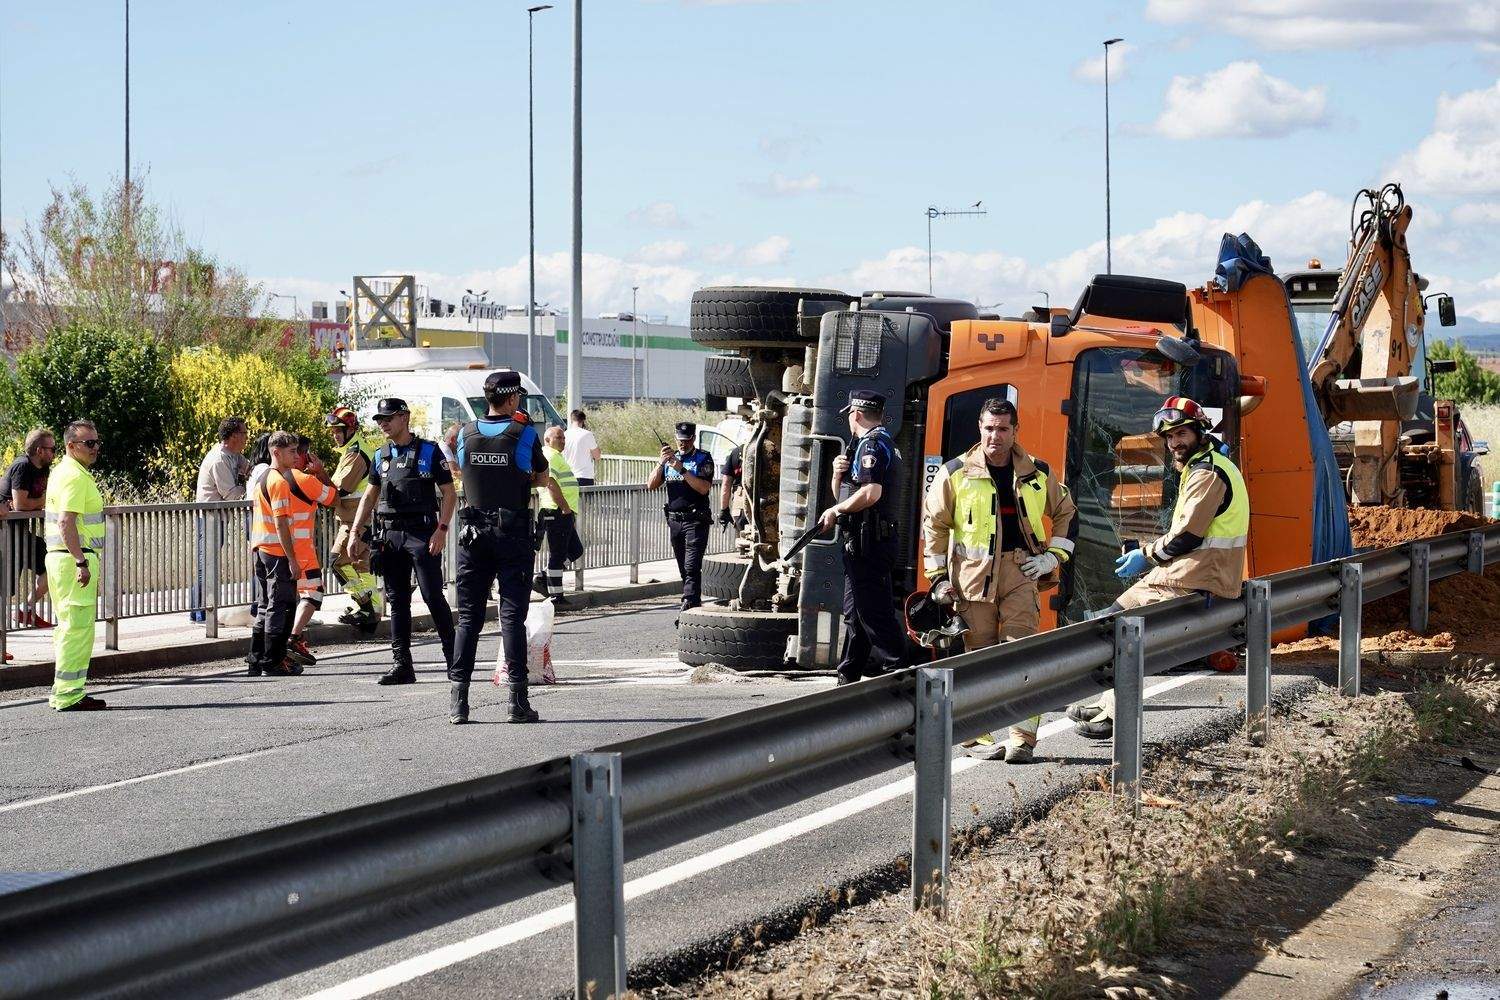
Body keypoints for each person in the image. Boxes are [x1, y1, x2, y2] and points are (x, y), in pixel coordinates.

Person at [1070, 396, 1249, 740]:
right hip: (1191, 572)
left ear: (1199, 432)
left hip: (1197, 575)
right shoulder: (1203, 466)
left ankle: (1114, 715)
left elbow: (1188, 537)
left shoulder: (1207, 473)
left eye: (1181, 434)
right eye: (1169, 438)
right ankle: (1109, 703)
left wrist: (1146, 555)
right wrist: (1143, 549)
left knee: (1118, 628)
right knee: (1115, 622)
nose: (1174, 443)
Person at [922, 398, 1077, 763]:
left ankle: (1022, 739)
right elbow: (935, 527)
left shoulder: (1038, 472)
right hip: (971, 579)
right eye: (989, 428)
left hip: (1022, 572)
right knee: (979, 658)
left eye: (1003, 428)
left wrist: (1052, 557)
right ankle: (976, 737)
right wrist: (938, 580)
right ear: (980, 427)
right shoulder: (955, 472)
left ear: (1015, 430)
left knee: (1021, 653)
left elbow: (1066, 513)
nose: (995, 436)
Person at [448, 370, 564, 724]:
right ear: (513, 399)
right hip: (511, 534)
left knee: (468, 619)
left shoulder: (465, 434)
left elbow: (461, 469)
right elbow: (542, 477)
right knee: (512, 616)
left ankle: (459, 703)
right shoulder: (523, 435)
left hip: (472, 535)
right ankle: (517, 702)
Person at [345, 398, 457, 687]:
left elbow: (449, 492)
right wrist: (355, 531)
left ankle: (454, 659)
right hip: (390, 537)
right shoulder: (381, 455)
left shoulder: (429, 451)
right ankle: (402, 665)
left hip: (422, 534)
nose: (383, 423)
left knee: (432, 596)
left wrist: (442, 530)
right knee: (397, 602)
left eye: (388, 418)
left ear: (404, 418)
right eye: (380, 419)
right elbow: (369, 496)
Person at [817, 390, 906, 686]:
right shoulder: (881, 443)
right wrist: (836, 477)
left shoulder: (871, 445)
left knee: (873, 611)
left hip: (869, 540)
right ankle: (848, 675)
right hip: (866, 538)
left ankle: (901, 673)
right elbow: (851, 495)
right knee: (856, 614)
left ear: (855, 414)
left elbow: (870, 494)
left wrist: (834, 509)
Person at [247, 431, 336, 678]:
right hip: (277, 552)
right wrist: (293, 559)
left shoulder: (264, 477)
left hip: (262, 549)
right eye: (292, 452)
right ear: (276, 452)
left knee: (266, 606)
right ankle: (273, 661)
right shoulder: (278, 482)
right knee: (280, 607)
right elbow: (281, 524)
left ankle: (257, 659)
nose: (297, 456)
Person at [44, 420, 107, 710]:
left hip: (62, 559)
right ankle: (70, 694)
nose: (95, 448)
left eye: (97, 442)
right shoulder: (74, 476)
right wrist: (81, 561)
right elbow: (67, 521)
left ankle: (64, 690)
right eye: (89, 443)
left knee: (68, 627)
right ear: (72, 446)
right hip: (74, 559)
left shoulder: (64, 471)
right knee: (78, 628)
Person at [325, 406, 382, 632]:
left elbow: (340, 490)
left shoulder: (356, 453)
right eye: (333, 432)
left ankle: (366, 605)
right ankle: (371, 611)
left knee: (337, 562)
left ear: (350, 430)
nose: (335, 435)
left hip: (358, 520)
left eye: (339, 431)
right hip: (355, 518)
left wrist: (317, 478)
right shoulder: (351, 450)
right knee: (359, 565)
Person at [648, 422, 715, 614]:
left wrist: (682, 469)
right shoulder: (670, 460)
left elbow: (703, 488)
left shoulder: (703, 458)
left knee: (692, 565)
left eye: (686, 441)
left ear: (693, 438)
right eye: (680, 441)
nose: (682, 445)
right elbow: (651, 484)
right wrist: (662, 463)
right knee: (683, 566)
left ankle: (689, 603)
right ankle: (692, 600)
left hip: (695, 519)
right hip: (675, 520)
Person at [283, 436, 337, 667]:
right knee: (313, 593)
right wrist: (321, 473)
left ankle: (280, 644)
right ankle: (293, 638)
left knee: (282, 599)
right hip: (302, 549)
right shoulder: (305, 479)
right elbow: (334, 498)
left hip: (275, 547)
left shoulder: (270, 476)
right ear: (302, 455)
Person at [191, 417, 250, 624]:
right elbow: (231, 494)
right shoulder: (219, 459)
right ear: (233, 436)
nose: (246, 437)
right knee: (206, 564)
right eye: (244, 433)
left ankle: (200, 611)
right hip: (209, 518)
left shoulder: (234, 455)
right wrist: (248, 489)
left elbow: (249, 468)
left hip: (220, 517)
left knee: (209, 562)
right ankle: (200, 613)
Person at [7, 428, 56, 628]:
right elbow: (20, 504)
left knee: (53, 565)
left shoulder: (44, 469)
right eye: (52, 449)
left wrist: (38, 502)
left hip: (20, 533)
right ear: (39, 450)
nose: (54, 452)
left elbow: (31, 502)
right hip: (6, 533)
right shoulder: (22, 466)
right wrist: (44, 500)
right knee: (5, 588)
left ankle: (24, 611)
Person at [534, 425, 582, 609]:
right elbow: (550, 483)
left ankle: (544, 578)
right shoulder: (549, 456)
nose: (563, 441)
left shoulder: (555, 456)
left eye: (563, 438)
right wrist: (564, 507)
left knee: (575, 550)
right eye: (559, 437)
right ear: (547, 440)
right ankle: (556, 597)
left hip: (563, 511)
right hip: (557, 511)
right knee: (557, 554)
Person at [564, 409, 601, 486]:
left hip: (567, 476)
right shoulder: (587, 434)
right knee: (586, 498)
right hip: (585, 476)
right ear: (583, 421)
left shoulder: (564, 434)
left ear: (571, 420)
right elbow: (597, 456)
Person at [716, 443, 747, 535]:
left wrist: (724, 509)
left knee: (744, 541)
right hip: (770, 504)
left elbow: (726, 483)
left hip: (742, 505)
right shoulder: (775, 449)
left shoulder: (738, 452)